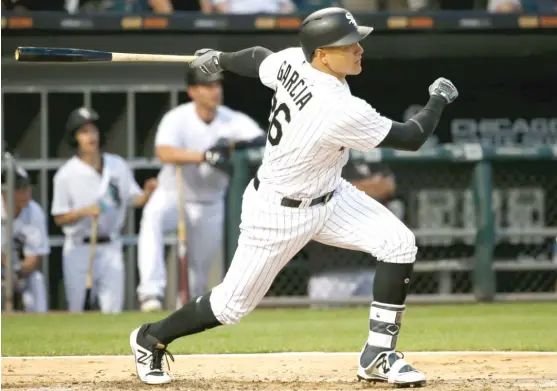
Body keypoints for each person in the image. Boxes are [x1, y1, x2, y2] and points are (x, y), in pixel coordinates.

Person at [129, 6, 458, 387]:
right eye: (349, 45)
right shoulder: (338, 108)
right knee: (229, 307)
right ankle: (149, 337)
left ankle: (378, 355)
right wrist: (438, 98)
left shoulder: (294, 61)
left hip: (331, 197)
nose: (359, 49)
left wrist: (220, 59)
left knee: (399, 244)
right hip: (277, 212)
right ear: (321, 53)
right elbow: (411, 137)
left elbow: (257, 59)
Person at [136, 66, 266, 312]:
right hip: (174, 194)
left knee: (198, 279)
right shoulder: (177, 117)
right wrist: (204, 156)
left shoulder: (232, 120)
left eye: (217, 85)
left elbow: (263, 140)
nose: (215, 91)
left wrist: (233, 145)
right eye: (207, 86)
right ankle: (150, 293)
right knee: (152, 218)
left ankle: (185, 314)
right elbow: (164, 152)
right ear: (192, 91)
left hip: (210, 202)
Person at [51, 106, 157, 314]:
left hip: (111, 245)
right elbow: (59, 217)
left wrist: (148, 192)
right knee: (78, 308)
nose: (90, 136)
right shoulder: (66, 174)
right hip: (80, 247)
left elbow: (134, 199)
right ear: (75, 138)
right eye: (84, 132)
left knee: (112, 309)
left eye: (93, 130)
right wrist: (83, 212)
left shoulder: (117, 165)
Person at [307, 162, 397, 304]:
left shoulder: (369, 159)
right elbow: (322, 191)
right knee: (326, 322)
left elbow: (388, 186)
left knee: (374, 321)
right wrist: (370, 187)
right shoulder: (324, 158)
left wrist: (346, 190)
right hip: (329, 270)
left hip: (369, 265)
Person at [1, 164, 49, 313]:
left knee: (37, 280)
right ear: (4, 192)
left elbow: (35, 256)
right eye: (20, 189)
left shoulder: (34, 211)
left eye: (27, 187)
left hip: (21, 271)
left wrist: (17, 274)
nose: (26, 193)